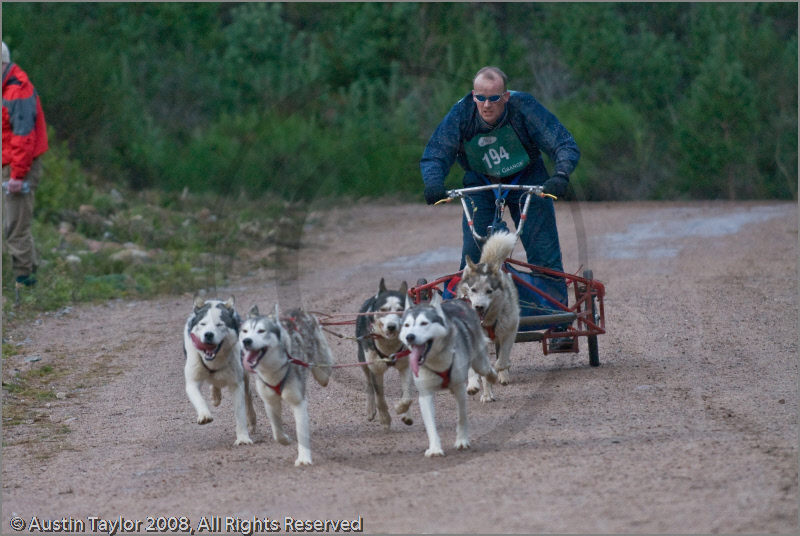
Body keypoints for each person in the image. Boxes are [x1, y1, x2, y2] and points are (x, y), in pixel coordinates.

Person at [420, 66, 579, 348]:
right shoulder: (461, 114)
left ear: (506, 96)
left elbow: (563, 143)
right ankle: (461, 321)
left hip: (528, 180)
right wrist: (434, 183)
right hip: (479, 183)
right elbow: (435, 154)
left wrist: (561, 175)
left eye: (494, 98)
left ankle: (559, 324)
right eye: (481, 98)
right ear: (473, 96)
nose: (487, 105)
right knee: (473, 256)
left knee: (543, 251)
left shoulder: (524, 107)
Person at [2, 41, 49, 287]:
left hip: (18, 168)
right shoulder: (6, 88)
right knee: (12, 225)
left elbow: (23, 137)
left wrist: (17, 177)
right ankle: (27, 282)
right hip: (10, 164)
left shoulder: (17, 91)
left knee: (15, 228)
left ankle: (26, 286)